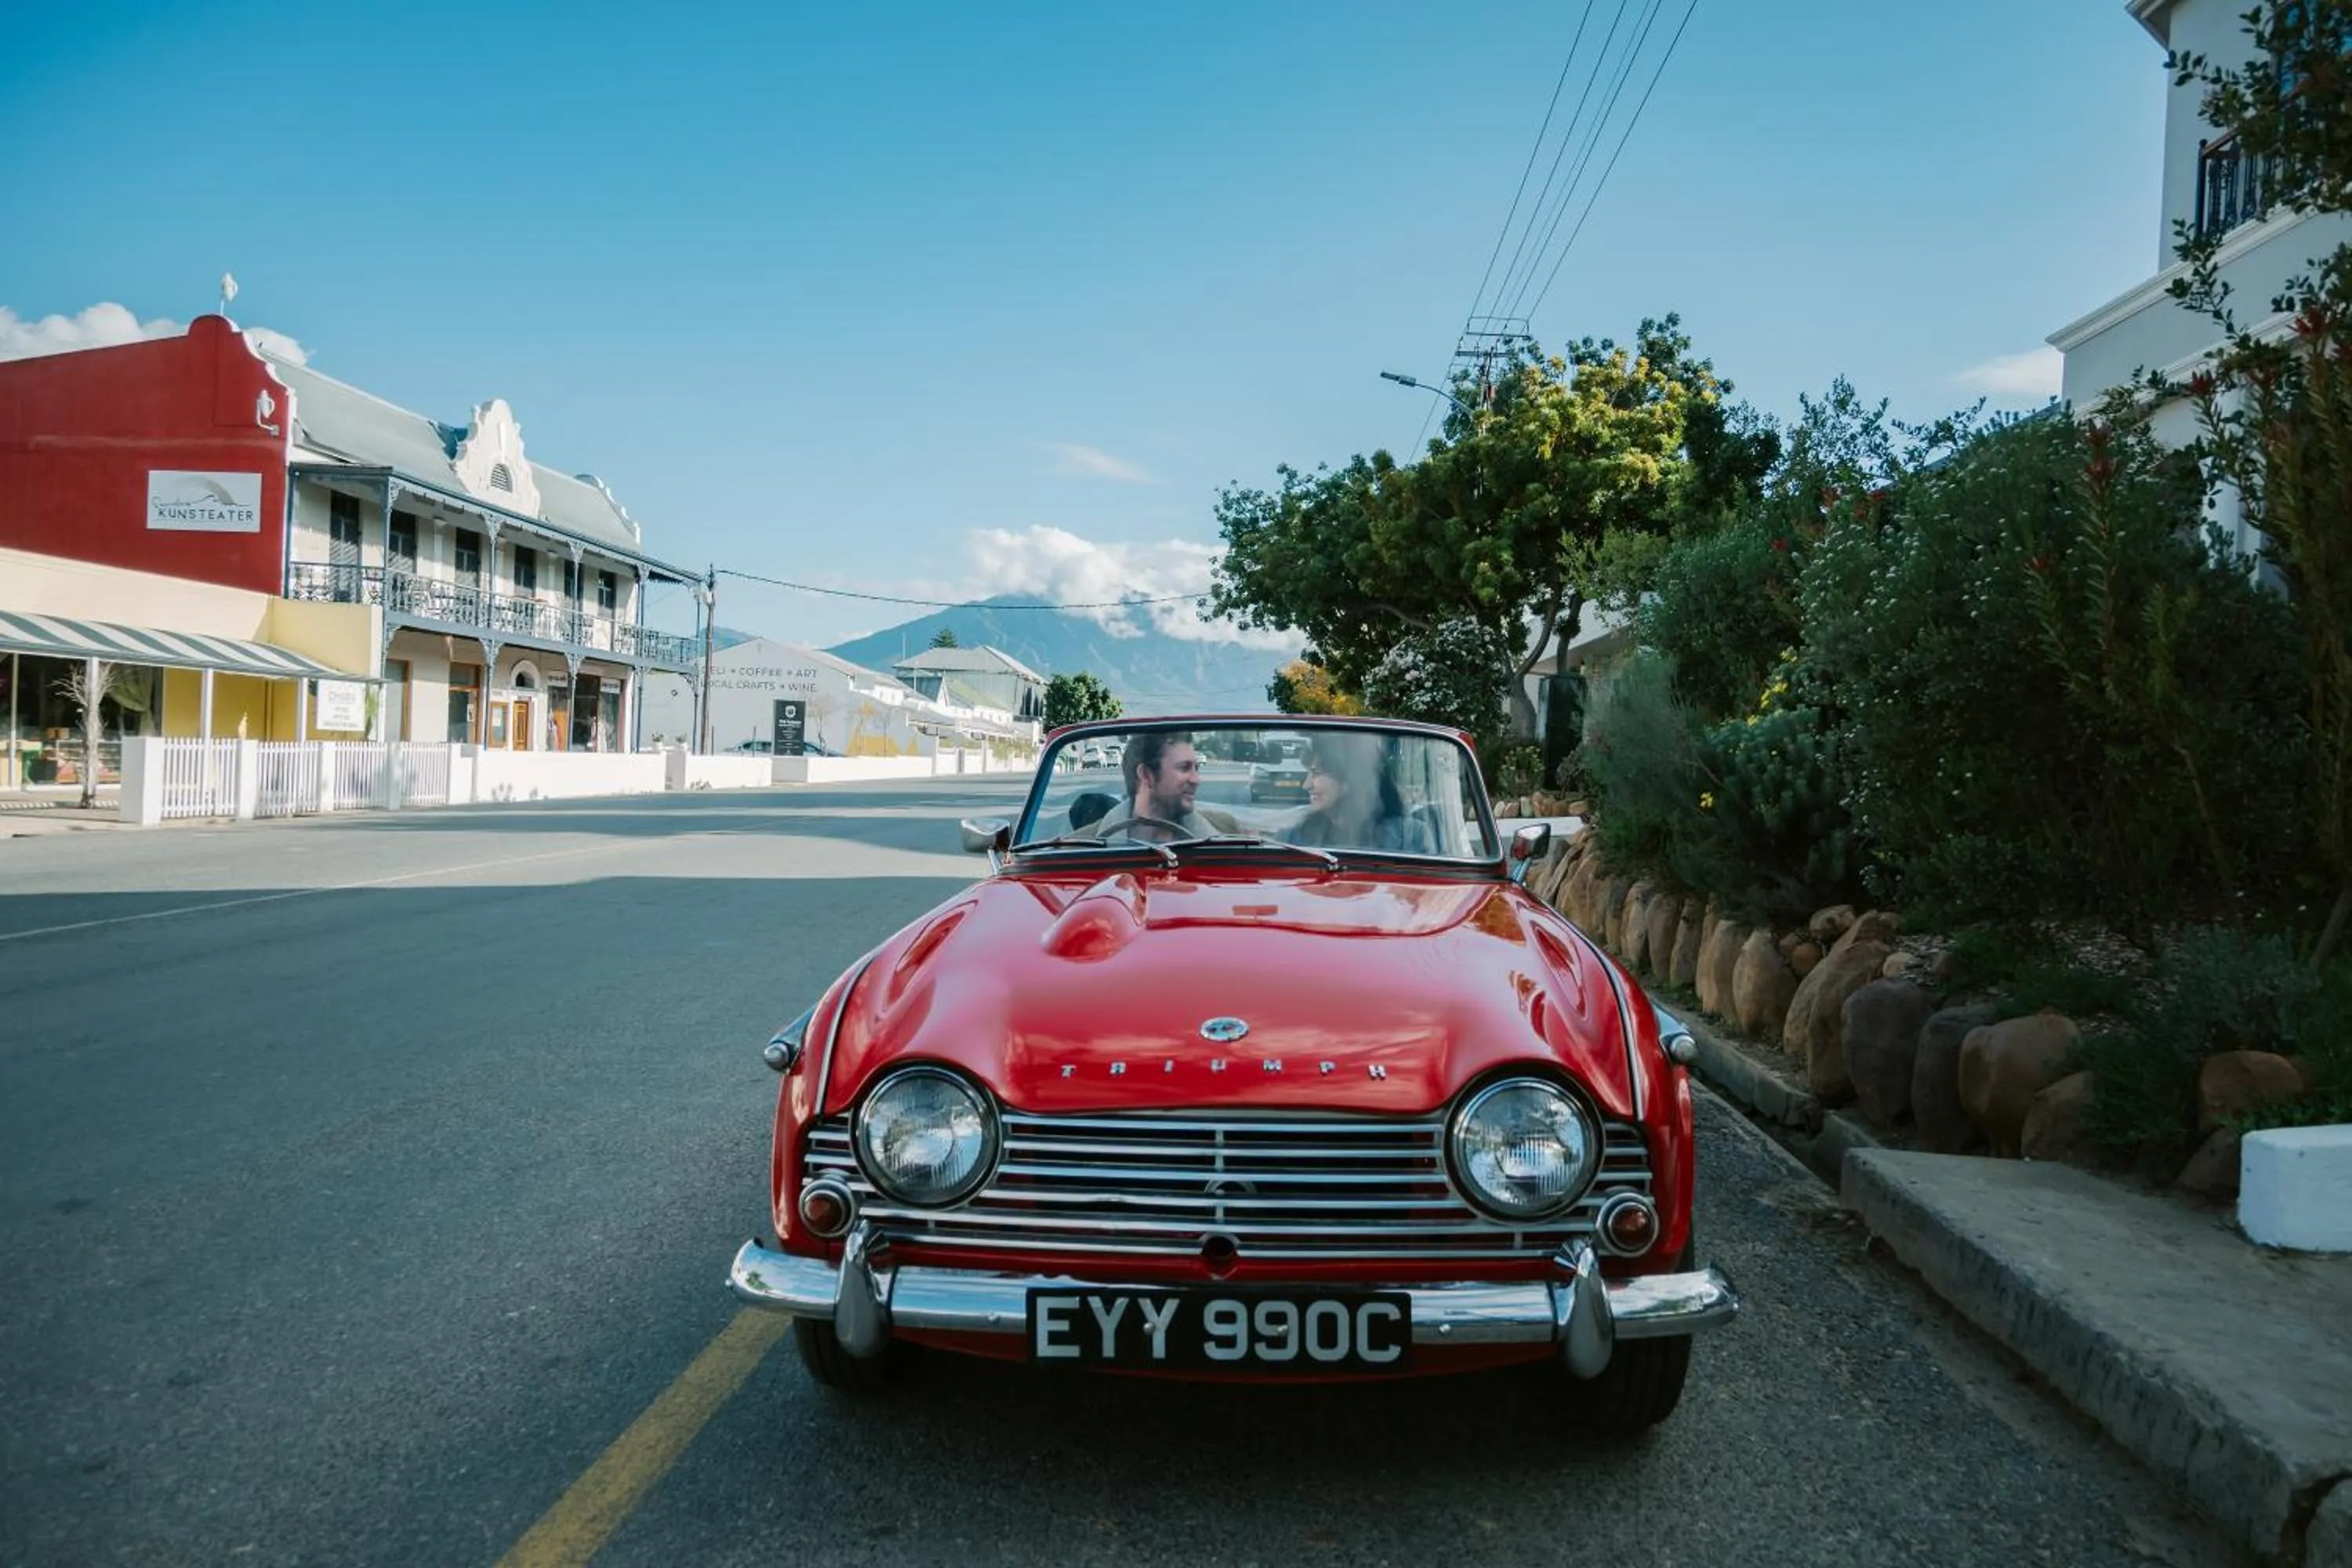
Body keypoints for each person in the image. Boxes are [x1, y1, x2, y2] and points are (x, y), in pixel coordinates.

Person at [1286, 731, 1432, 854]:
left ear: (1350, 779)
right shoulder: (1295, 837)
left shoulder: (1411, 837)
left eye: (1316, 773)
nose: (1306, 785)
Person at [1099, 731, 1236, 841]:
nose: (1196, 779)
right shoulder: (1088, 845)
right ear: (1146, 775)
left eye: (1196, 768)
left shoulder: (1222, 835)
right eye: (1184, 768)